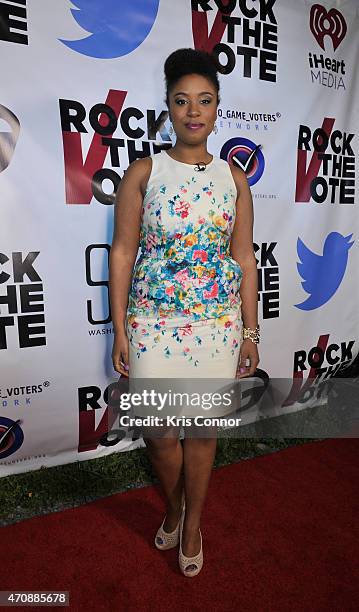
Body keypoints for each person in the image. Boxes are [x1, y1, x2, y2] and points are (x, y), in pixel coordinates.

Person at [109, 48, 260, 577]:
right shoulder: (143, 173)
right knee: (160, 434)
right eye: (182, 101)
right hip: (151, 325)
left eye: (205, 101)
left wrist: (250, 330)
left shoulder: (234, 180)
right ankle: (173, 506)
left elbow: (243, 258)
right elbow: (123, 252)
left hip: (217, 326)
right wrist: (120, 330)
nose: (193, 111)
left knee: (201, 432)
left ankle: (192, 523)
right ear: (168, 108)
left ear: (218, 109)